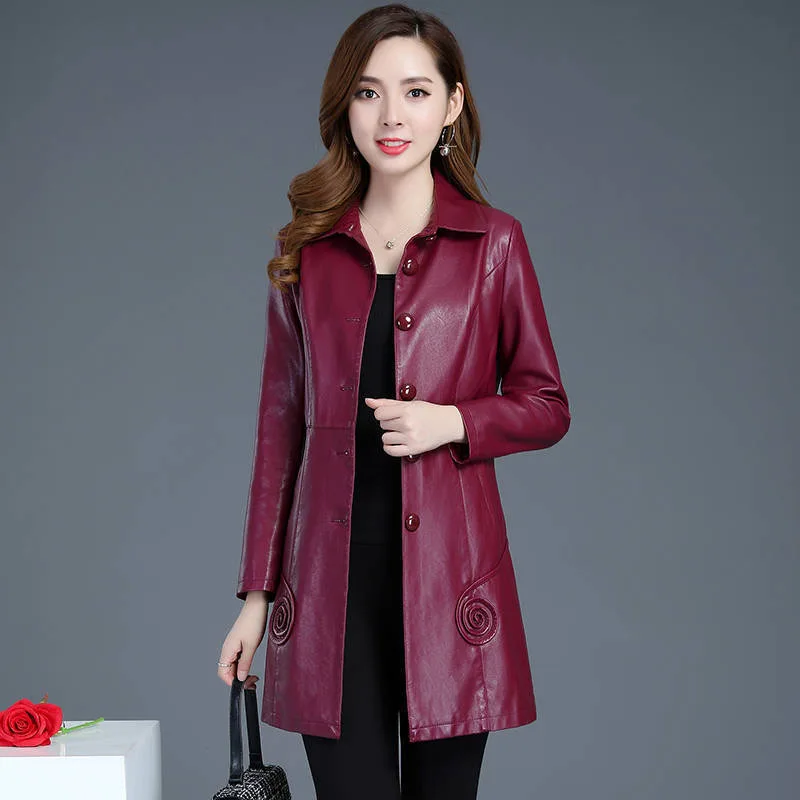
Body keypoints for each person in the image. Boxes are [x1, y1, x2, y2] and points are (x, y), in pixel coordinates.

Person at [217, 4, 571, 798]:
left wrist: (454, 420)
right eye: (368, 92)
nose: (391, 116)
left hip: (453, 593)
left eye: (415, 92)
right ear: (345, 106)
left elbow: (547, 402)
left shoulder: (494, 243)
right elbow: (279, 435)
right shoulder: (304, 251)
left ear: (451, 105)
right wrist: (255, 599)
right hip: (328, 598)